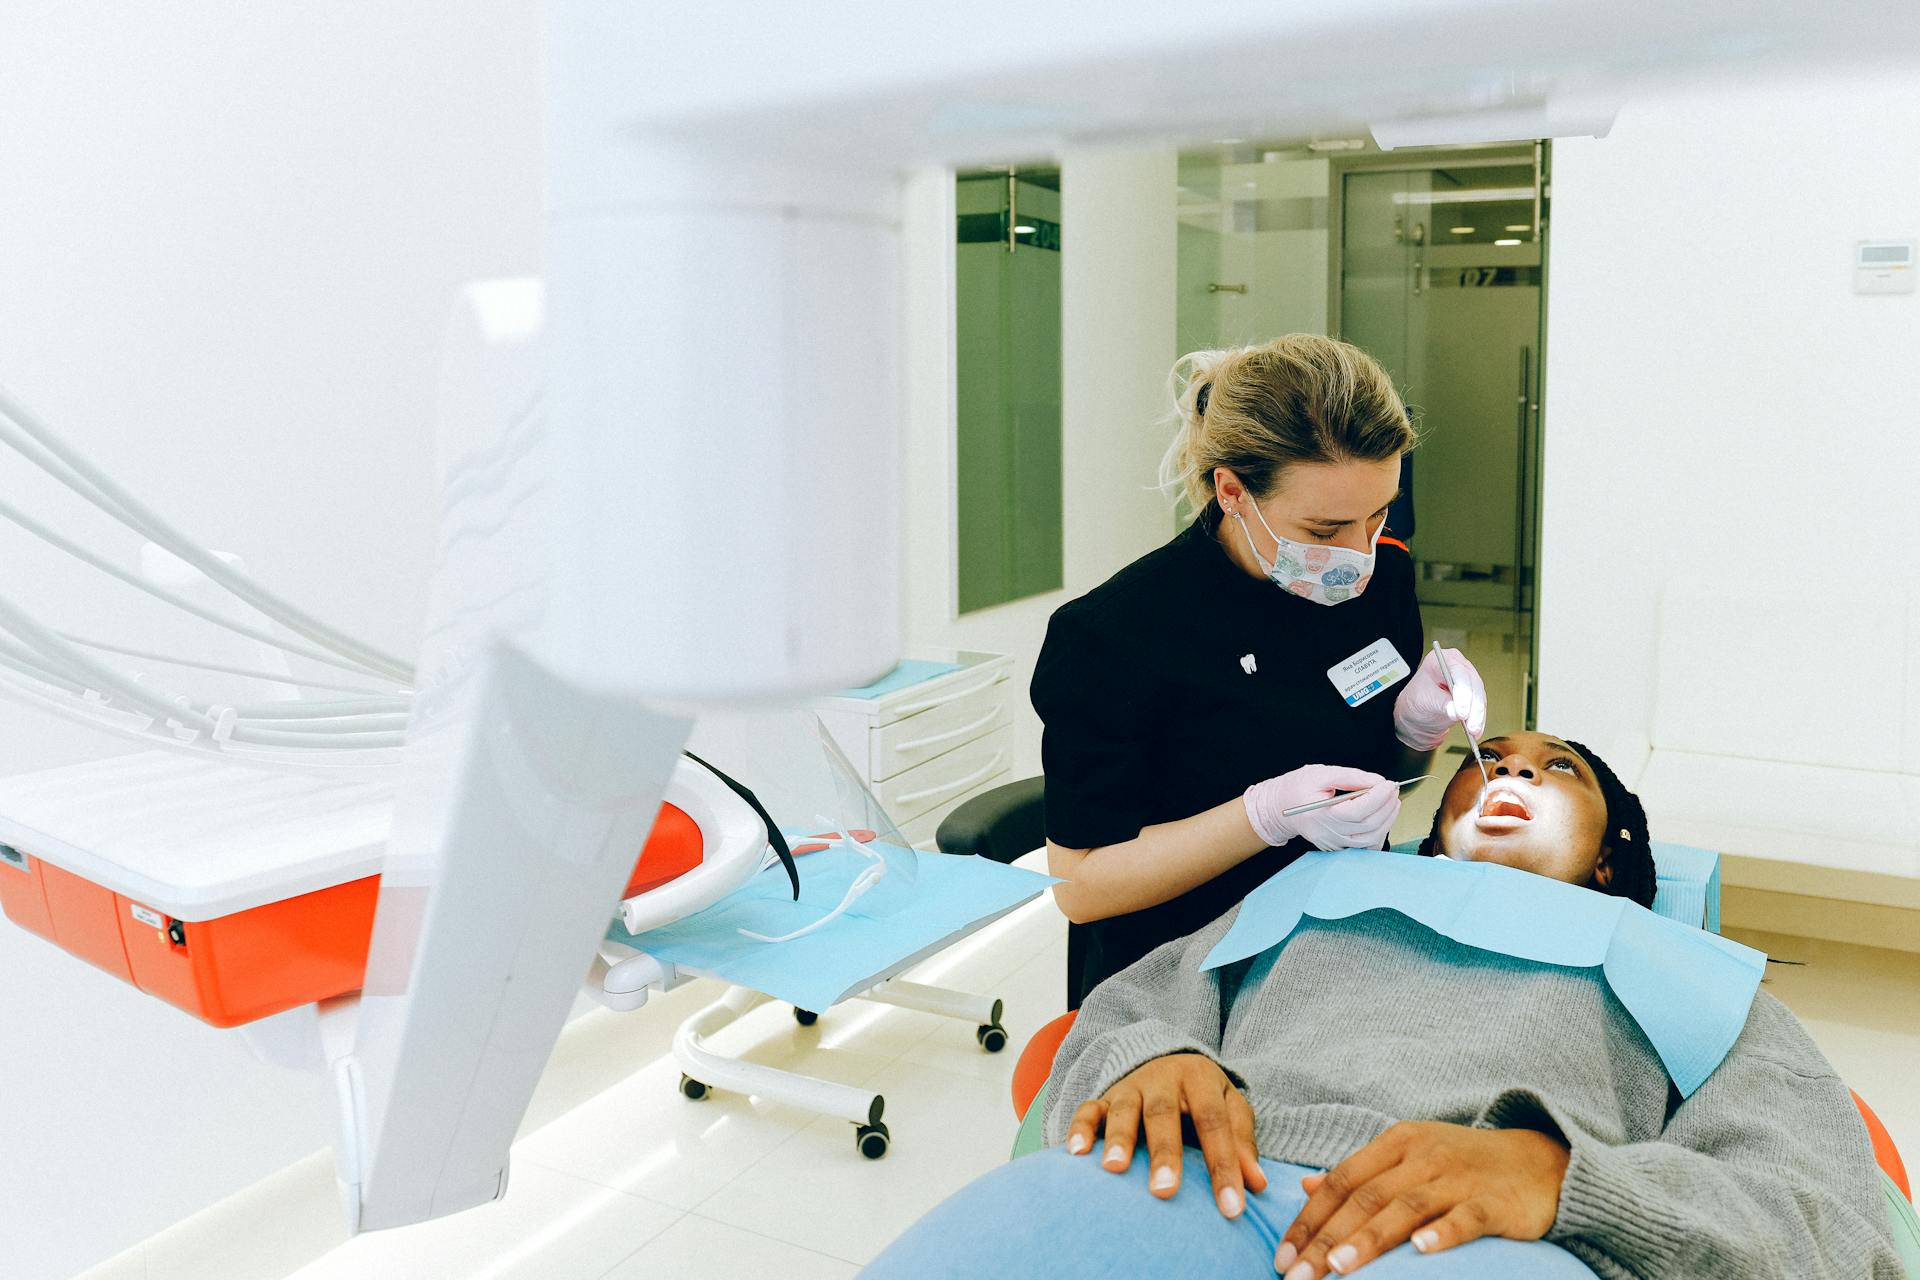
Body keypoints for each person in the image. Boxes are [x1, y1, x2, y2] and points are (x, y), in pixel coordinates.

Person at [865, 733, 1901, 1279]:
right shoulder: (1312, 888)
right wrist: (1149, 1056)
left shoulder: (1693, 965)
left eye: (1557, 768)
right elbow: (1125, 1007)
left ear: (1613, 854)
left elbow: (1833, 1228)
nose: (1512, 771)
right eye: (1488, 760)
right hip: (1191, 1176)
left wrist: (1572, 1180)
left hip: (1499, 1238)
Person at [1031, 335, 1488, 1005]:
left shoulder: (1383, 578)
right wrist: (1262, 817)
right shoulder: (1112, 635)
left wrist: (1416, 732)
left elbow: (1375, 783)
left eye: (1379, 513)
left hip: (1338, 947)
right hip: (1178, 978)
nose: (1360, 555)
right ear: (1233, 491)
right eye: (1326, 530)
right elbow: (1082, 887)